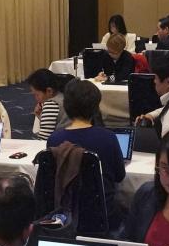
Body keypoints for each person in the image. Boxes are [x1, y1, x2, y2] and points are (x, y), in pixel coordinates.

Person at [47, 80, 126, 226]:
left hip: (65, 214)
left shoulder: (54, 139)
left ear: (66, 106)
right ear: (96, 107)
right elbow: (119, 176)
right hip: (101, 214)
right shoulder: (108, 138)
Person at [27, 68, 71, 140]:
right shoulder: (63, 97)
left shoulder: (51, 104)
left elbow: (44, 139)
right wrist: (40, 116)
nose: (35, 98)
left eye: (36, 94)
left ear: (49, 91)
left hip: (59, 145)